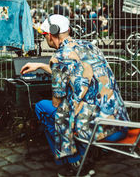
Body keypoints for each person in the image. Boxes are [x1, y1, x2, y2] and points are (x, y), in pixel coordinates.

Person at [20, 14, 129, 177]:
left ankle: (73, 162)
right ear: (68, 30)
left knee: (43, 107)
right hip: (120, 124)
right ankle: (83, 154)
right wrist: (42, 66)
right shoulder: (90, 46)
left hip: (99, 130)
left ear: (51, 34)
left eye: (44, 35)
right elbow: (76, 70)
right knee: (75, 108)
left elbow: (57, 103)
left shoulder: (59, 56)